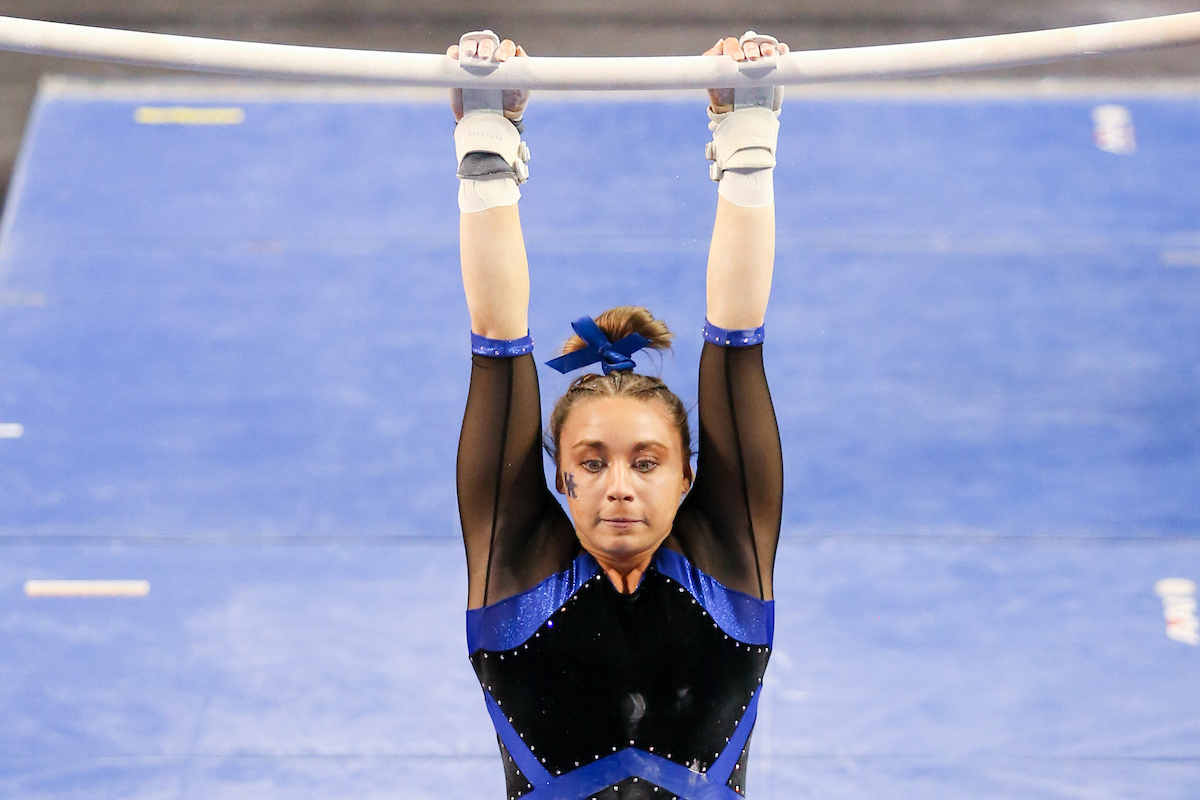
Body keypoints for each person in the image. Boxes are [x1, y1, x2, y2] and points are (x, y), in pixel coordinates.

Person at [449, 30, 787, 800]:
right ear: (561, 479)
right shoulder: (517, 563)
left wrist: (748, 141)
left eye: (645, 461)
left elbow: (738, 340)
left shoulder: (727, 555)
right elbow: (495, 344)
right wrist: (484, 147)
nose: (620, 486)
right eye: (593, 463)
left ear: (688, 477)